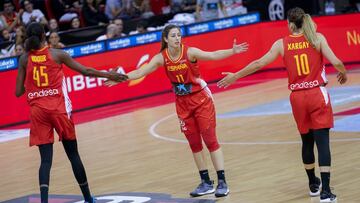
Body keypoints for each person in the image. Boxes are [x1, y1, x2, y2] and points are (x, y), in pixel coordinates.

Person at [217, 7, 347, 203]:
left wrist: (235, 76)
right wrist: (343, 72)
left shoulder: (281, 43)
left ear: (290, 24)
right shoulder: (317, 38)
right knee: (323, 143)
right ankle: (326, 192)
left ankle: (313, 184)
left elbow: (258, 63)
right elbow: (336, 61)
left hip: (297, 98)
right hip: (316, 94)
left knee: (306, 141)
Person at [106, 24, 248, 197]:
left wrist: (232, 51)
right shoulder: (161, 58)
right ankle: (206, 182)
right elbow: (141, 71)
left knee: (210, 141)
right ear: (166, 39)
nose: (177, 38)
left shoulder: (189, 52)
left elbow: (212, 55)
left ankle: (222, 182)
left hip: (201, 100)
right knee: (194, 144)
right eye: (173, 36)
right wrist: (121, 79)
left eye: (179, 35)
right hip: (182, 103)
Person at [15, 22, 127, 203]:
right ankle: (88, 198)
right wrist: (109, 75)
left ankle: (44, 202)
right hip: (58, 109)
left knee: (45, 161)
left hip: (38, 112)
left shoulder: (24, 59)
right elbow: (86, 71)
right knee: (73, 155)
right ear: (44, 36)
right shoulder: (57, 54)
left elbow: (18, 92)